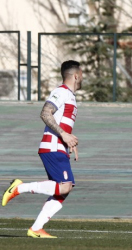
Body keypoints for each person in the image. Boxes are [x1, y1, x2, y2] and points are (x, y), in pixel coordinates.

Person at [2, 60, 82, 238]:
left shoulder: (70, 96)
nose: (82, 77)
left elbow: (63, 123)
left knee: (63, 191)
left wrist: (70, 141)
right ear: (76, 75)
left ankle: (36, 229)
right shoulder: (61, 92)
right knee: (64, 187)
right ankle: (19, 188)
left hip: (59, 147)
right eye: (82, 74)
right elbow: (45, 112)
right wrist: (64, 135)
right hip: (52, 146)